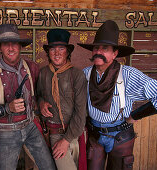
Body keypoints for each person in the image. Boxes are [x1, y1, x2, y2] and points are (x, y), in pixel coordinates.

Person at [77, 20, 157, 170]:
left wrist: (136, 115)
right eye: (96, 48)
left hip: (120, 136)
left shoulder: (128, 75)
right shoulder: (86, 74)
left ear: (115, 53)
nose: (98, 52)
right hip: (94, 136)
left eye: (105, 48)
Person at [0, 24, 56, 170]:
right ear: (0, 48)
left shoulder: (32, 67)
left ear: (20, 46)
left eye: (14, 43)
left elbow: (39, 95)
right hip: (6, 130)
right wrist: (8, 108)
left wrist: (41, 103)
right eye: (5, 44)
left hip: (30, 125)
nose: (10, 48)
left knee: (49, 166)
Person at [37, 28, 87, 170]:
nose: (57, 53)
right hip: (52, 134)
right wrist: (41, 103)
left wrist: (66, 140)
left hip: (73, 134)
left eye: (61, 48)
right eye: (53, 49)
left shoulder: (77, 75)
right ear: (48, 52)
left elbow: (80, 112)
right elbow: (38, 94)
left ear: (67, 51)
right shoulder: (43, 74)